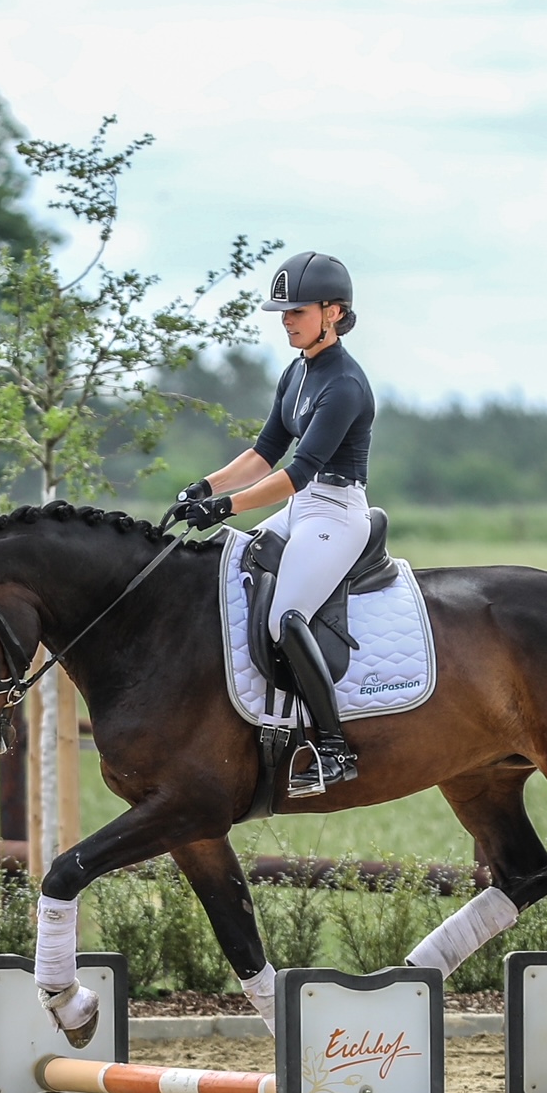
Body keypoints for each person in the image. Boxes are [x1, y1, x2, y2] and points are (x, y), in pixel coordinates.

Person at [172, 250, 376, 795]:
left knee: (286, 618)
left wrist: (227, 508)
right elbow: (265, 452)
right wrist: (206, 487)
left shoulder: (345, 385)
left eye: (298, 310)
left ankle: (334, 747)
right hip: (302, 506)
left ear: (333, 312)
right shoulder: (298, 371)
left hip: (334, 511)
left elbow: (300, 473)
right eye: (283, 311)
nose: (286, 319)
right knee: (228, 571)